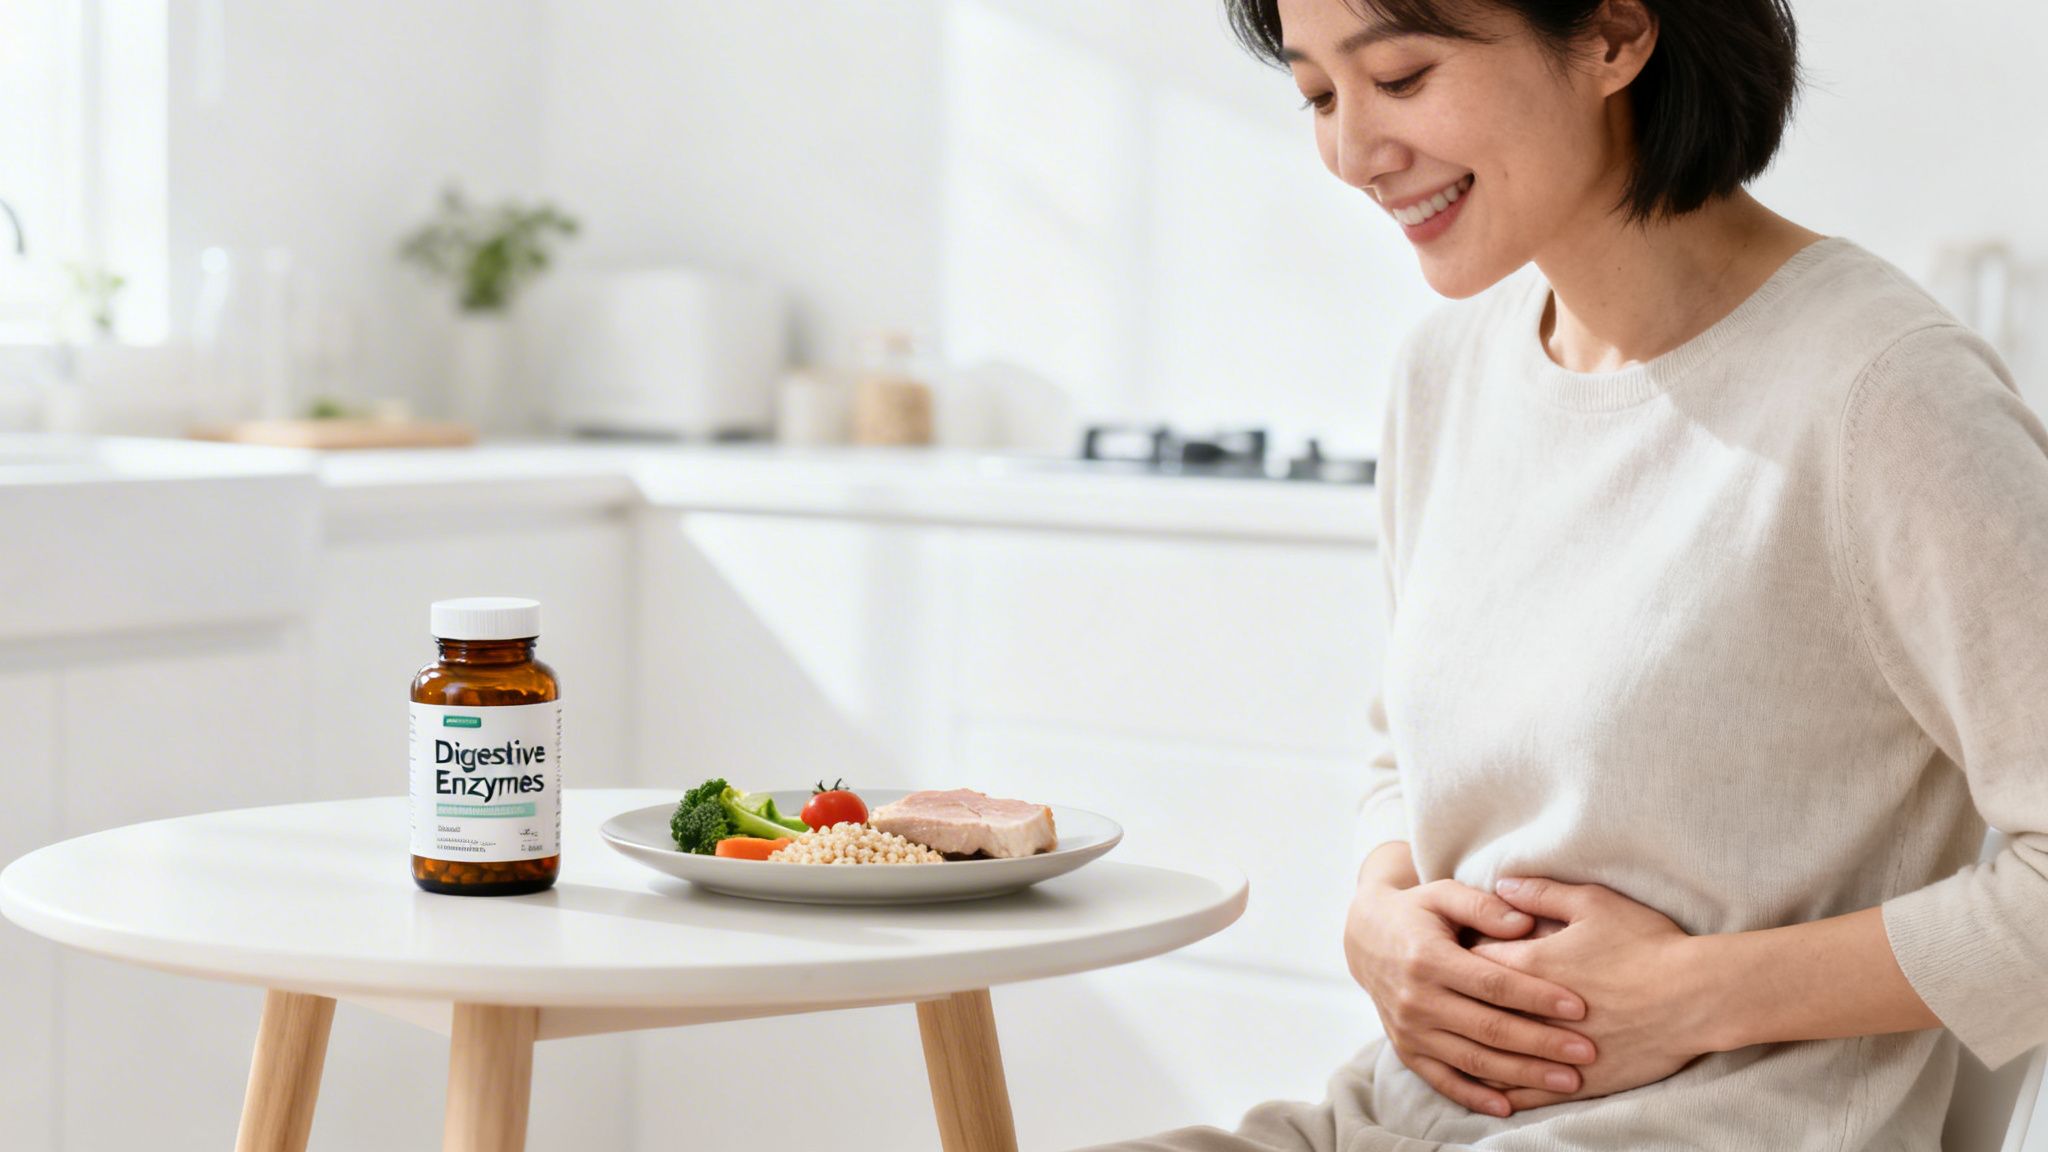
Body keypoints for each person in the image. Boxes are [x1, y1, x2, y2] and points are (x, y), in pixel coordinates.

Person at [1076, 0, 2048, 1148]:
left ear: (1611, 37)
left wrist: (1695, 993)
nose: (1349, 154)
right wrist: (1377, 910)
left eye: (1399, 75)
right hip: (1392, 1117)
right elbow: (1410, 747)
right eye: (1319, 97)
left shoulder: (1880, 396)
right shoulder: (1446, 370)